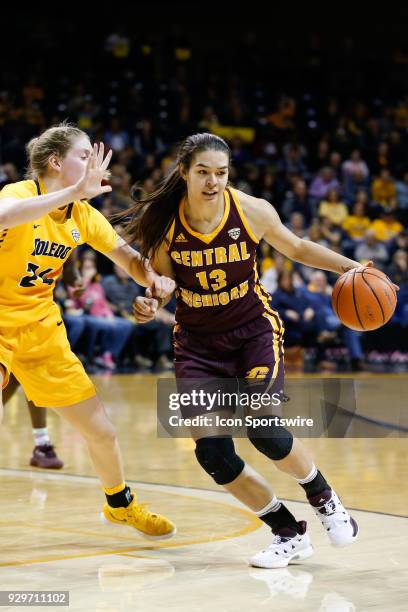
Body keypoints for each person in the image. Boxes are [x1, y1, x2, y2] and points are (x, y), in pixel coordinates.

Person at [125, 132, 375, 569]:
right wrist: (150, 302)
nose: (213, 182)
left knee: (263, 427)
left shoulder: (251, 210)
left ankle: (326, 499)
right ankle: (287, 532)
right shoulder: (165, 225)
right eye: (203, 172)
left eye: (220, 173)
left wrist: (351, 267)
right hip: (198, 345)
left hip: (252, 332)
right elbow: (160, 287)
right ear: (184, 173)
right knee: (214, 454)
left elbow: (296, 247)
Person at [0, 123, 176, 539]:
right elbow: (4, 216)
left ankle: (120, 504)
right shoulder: (18, 195)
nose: (98, 168)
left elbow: (129, 258)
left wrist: (154, 280)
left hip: (40, 327)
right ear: (56, 162)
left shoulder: (83, 215)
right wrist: (71, 192)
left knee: (102, 431)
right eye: (86, 156)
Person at [2, 252, 85, 469]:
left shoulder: (66, 224)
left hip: (39, 317)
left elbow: (69, 271)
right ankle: (42, 444)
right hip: (5, 313)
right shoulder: (13, 222)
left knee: (27, 375)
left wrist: (76, 281)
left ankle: (42, 444)